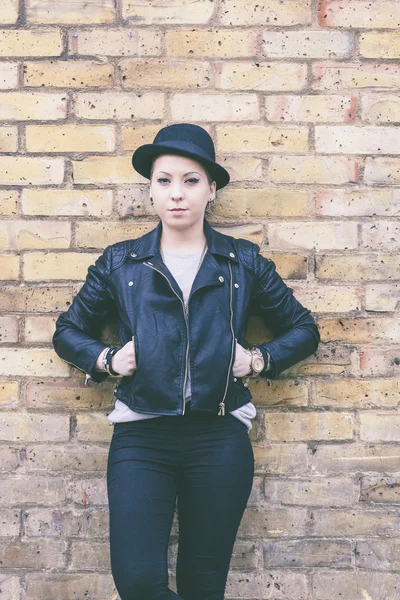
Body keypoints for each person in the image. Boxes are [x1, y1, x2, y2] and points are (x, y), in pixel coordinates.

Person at [53, 123, 320, 600]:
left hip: (218, 439)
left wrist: (259, 360)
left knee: (203, 585)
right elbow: (68, 332)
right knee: (138, 581)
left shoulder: (243, 262)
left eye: (191, 180)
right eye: (164, 180)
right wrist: (108, 359)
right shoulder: (121, 263)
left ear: (212, 189)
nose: (177, 193)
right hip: (141, 437)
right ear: (151, 189)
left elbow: (303, 329)